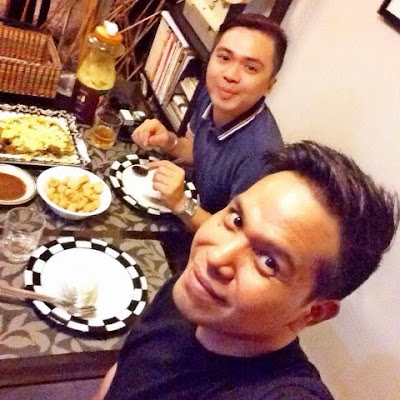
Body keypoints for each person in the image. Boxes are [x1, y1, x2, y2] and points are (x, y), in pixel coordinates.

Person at [91, 140, 399, 400]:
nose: (216, 257)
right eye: (236, 220)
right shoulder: (192, 290)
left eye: (269, 262)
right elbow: (126, 371)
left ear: (314, 313)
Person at [132, 14, 287, 230]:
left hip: (207, 239)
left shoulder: (262, 156)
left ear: (269, 85)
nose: (230, 75)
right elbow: (198, 152)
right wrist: (169, 141)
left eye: (250, 68)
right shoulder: (213, 94)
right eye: (224, 57)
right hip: (189, 209)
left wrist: (181, 203)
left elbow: (235, 236)